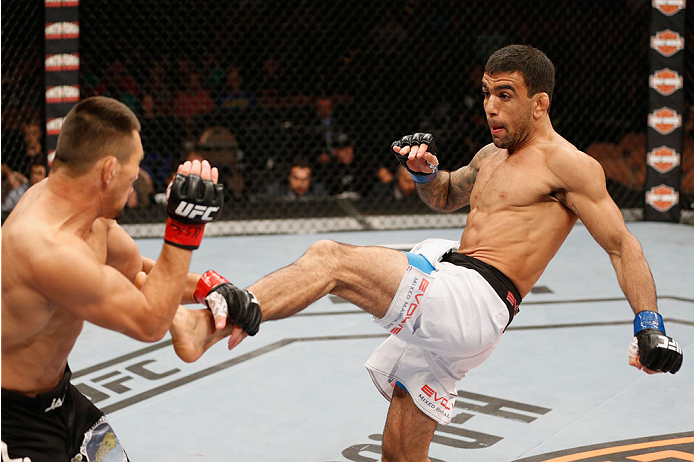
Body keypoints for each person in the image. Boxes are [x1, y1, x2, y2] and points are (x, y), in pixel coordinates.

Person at [170, 45, 683, 461]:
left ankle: (212, 323)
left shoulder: (571, 166)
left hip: (477, 299)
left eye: (506, 95)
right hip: (457, 302)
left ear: (540, 103)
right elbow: (444, 195)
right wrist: (423, 172)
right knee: (399, 455)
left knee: (330, 259)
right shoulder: (489, 156)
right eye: (486, 94)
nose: (491, 107)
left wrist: (649, 322)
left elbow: (622, 245)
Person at [0, 96, 240, 461]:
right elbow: (149, 322)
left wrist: (213, 288)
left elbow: (140, 274)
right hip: (11, 423)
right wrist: (184, 229)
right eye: (136, 166)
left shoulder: (85, 217)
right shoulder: (46, 249)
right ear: (109, 170)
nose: (136, 180)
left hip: (59, 399)